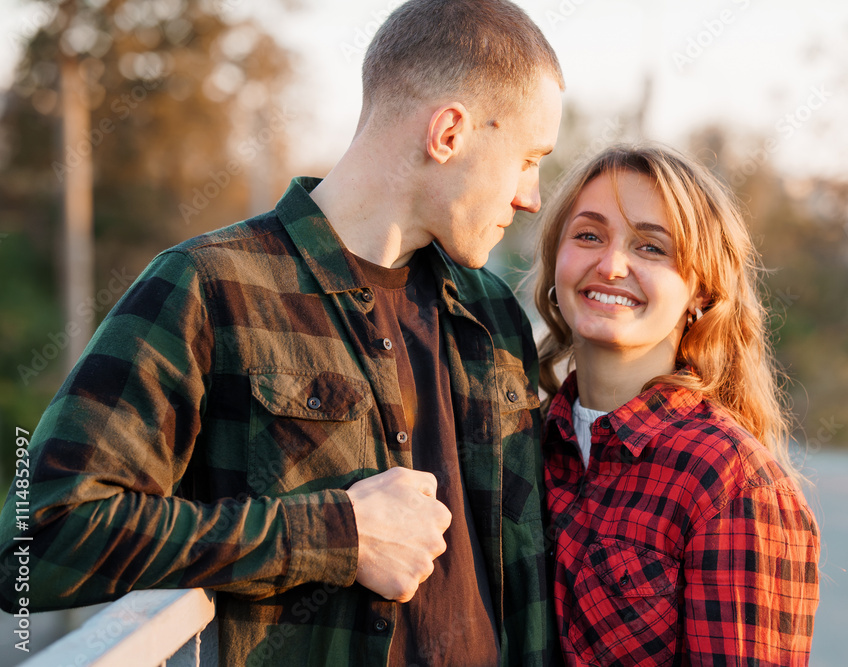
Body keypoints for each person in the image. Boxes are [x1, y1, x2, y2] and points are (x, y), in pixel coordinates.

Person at [0, 1, 564, 664]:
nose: (531, 194)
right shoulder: (208, 288)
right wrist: (334, 534)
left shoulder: (494, 312)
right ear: (447, 134)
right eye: (528, 157)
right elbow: (37, 543)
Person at [533, 144, 820, 666]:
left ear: (701, 292)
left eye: (650, 248)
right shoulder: (519, 444)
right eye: (589, 235)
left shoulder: (732, 483)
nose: (611, 264)